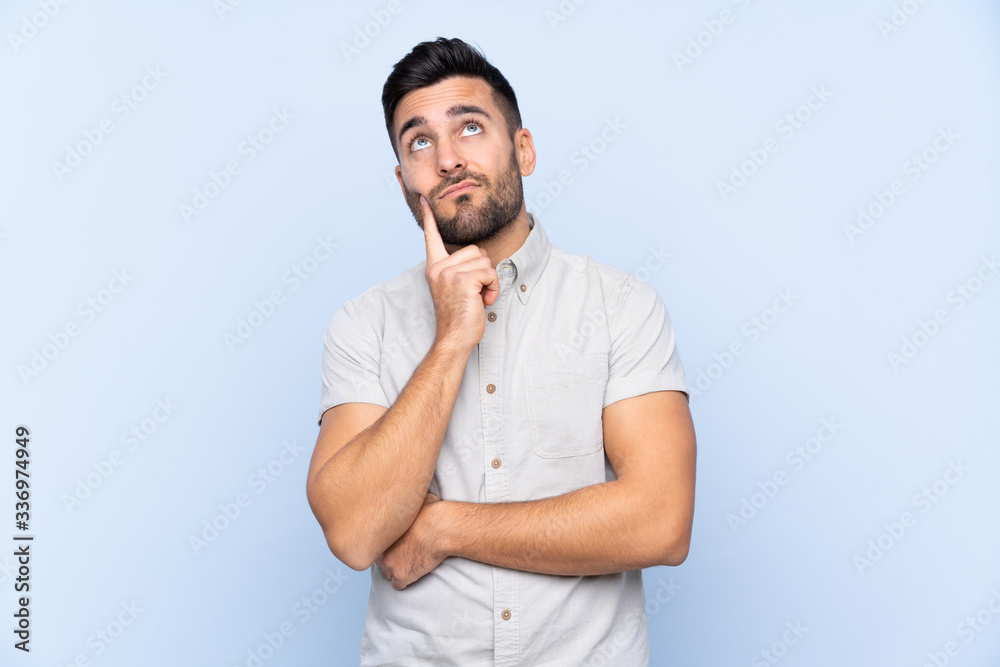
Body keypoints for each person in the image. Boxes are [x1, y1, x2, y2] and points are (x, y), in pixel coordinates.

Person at [306, 36, 697, 666]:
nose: (449, 159)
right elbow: (354, 532)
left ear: (523, 149)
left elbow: (660, 520)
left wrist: (441, 528)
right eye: (420, 142)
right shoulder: (365, 324)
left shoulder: (619, 304)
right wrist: (452, 338)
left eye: (469, 126)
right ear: (405, 182)